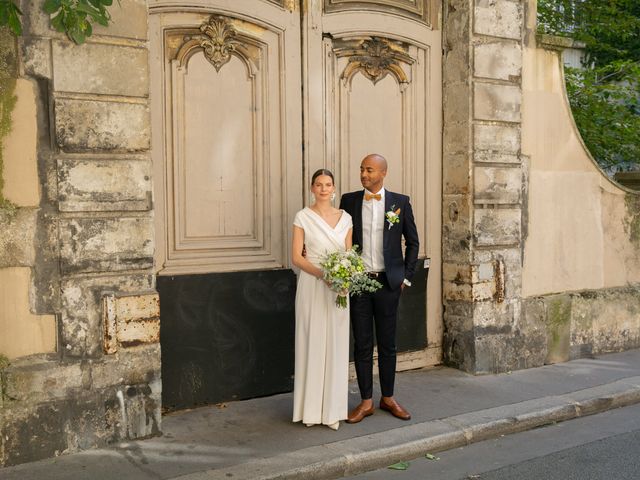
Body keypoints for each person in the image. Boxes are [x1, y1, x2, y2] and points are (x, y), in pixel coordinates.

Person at [339, 153, 419, 423]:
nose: (364, 174)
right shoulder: (349, 201)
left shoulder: (400, 202)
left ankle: (388, 397)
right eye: (362, 169)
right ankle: (365, 402)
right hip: (359, 283)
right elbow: (340, 238)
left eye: (369, 170)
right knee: (362, 344)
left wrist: (406, 278)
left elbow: (413, 243)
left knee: (388, 344)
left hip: (388, 283)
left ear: (383, 172)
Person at [291, 169, 353, 430]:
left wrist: (343, 279)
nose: (324, 189)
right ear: (312, 188)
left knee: (336, 345)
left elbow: (349, 255)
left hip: (338, 288)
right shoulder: (302, 217)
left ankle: (333, 410)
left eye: (328, 184)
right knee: (311, 341)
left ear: (335, 188)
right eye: (319, 184)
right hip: (313, 285)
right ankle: (310, 410)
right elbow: (297, 257)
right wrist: (322, 274)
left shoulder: (346, 218)